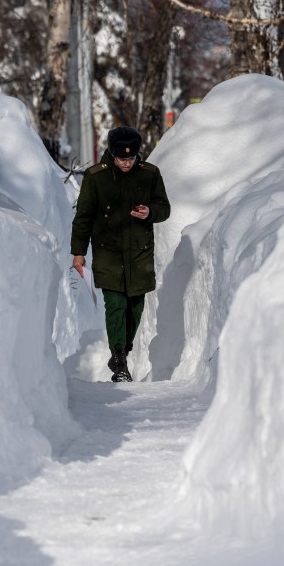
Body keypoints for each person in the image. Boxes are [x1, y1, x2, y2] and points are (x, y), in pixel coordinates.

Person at [70, 126, 171, 382]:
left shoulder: (150, 174)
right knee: (115, 304)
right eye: (121, 158)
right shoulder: (96, 177)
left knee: (135, 306)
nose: (126, 163)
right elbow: (83, 217)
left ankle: (123, 349)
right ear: (111, 154)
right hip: (108, 253)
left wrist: (150, 212)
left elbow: (164, 208)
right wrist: (78, 253)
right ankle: (119, 360)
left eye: (131, 158)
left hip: (139, 254)